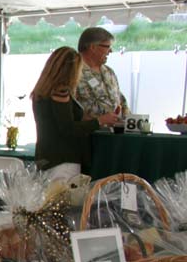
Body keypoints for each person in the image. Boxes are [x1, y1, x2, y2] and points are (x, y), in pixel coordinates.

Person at [32, 46, 120, 176]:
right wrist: (100, 121)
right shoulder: (60, 92)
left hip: (46, 155)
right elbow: (68, 128)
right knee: (65, 196)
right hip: (63, 159)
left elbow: (59, 121)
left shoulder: (42, 92)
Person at [74, 26, 128, 120]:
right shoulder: (73, 72)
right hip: (88, 132)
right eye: (107, 46)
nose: (110, 51)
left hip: (114, 132)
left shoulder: (109, 72)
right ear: (93, 47)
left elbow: (121, 102)